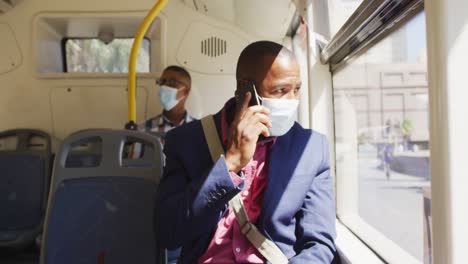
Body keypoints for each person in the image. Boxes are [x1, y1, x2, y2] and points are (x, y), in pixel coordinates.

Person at [156, 41, 337, 263]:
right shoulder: (186, 141)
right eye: (280, 91)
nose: (292, 102)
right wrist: (229, 165)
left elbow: (319, 243)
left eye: (296, 90)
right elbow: (168, 232)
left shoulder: (311, 148)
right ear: (246, 90)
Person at [139, 65, 195, 143]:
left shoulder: (200, 131)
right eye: (162, 81)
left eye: (172, 82)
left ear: (186, 91)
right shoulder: (142, 130)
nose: (164, 86)